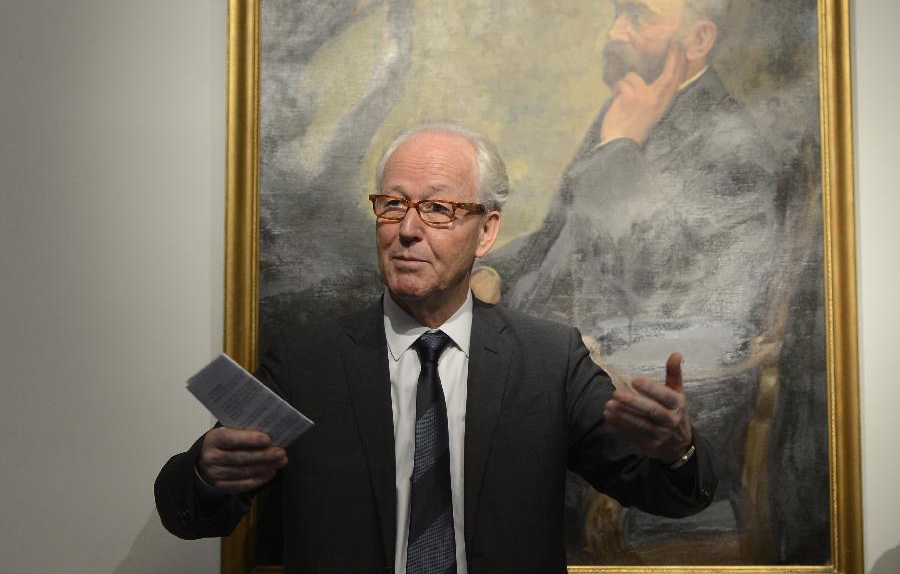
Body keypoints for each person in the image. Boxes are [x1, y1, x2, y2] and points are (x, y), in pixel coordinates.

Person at [155, 125, 717, 574]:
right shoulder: (307, 360)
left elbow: (673, 495)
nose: (407, 230)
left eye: (439, 210)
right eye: (393, 205)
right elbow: (187, 513)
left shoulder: (550, 359)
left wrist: (678, 452)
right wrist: (206, 470)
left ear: (487, 230)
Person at [478, 0, 794, 557]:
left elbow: (672, 301)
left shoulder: (732, 148)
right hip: (544, 374)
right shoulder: (634, 109)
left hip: (643, 412)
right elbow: (555, 239)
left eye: (637, 16)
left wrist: (621, 147)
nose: (615, 33)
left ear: (698, 39)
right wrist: (486, 273)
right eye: (616, 13)